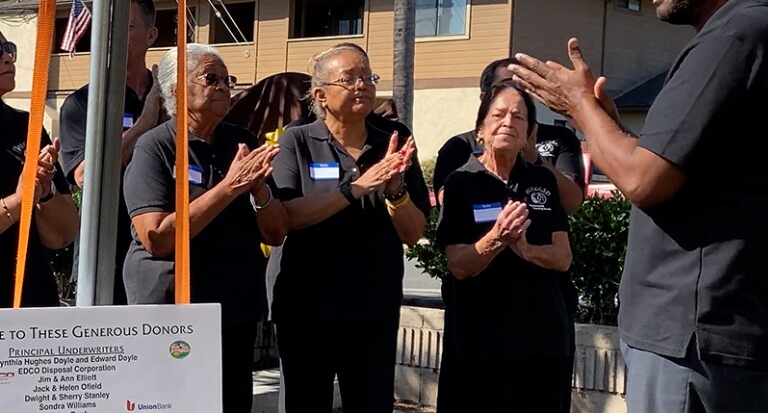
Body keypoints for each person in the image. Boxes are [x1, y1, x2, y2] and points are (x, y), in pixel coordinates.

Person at [510, 0, 768, 413]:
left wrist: (579, 106)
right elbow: (678, 172)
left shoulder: (736, 38)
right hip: (732, 331)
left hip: (697, 336)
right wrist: (604, 120)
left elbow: (644, 181)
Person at [123, 44, 287, 413]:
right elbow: (157, 238)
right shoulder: (156, 147)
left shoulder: (242, 141)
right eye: (211, 78)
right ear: (178, 89)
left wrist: (259, 190)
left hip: (232, 309)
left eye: (228, 80)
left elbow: (276, 233)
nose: (224, 87)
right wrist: (228, 188)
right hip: (170, 308)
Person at [271, 42, 430, 413]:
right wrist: (355, 189)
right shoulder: (297, 139)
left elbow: (413, 231)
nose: (362, 85)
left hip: (372, 307)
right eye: (350, 78)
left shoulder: (393, 138)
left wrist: (395, 189)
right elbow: (287, 215)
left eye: (368, 77)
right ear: (320, 94)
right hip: (306, 307)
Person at [434, 58, 584, 413]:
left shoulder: (542, 180)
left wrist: (525, 248)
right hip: (483, 340)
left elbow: (563, 257)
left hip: (544, 337)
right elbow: (459, 264)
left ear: (530, 131)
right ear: (480, 129)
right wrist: (497, 238)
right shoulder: (461, 183)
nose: (508, 123)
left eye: (518, 117)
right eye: (499, 115)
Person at [60, 0, 166, 305]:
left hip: (163, 257)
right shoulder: (84, 103)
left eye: (126, 25)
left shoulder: (173, 100)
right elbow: (86, 176)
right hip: (104, 256)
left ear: (151, 35)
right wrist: (145, 125)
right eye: (107, 26)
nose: (113, 35)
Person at [433, 57, 585, 213]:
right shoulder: (458, 147)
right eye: (508, 85)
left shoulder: (559, 137)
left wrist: (536, 160)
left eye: (525, 86)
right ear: (485, 98)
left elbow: (572, 202)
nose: (516, 94)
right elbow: (449, 209)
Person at [0, 31, 79, 307]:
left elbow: (63, 236)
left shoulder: (28, 127)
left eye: (8, 48)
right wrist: (18, 202)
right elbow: (20, 202)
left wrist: (45, 193)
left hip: (31, 301)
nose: (7, 57)